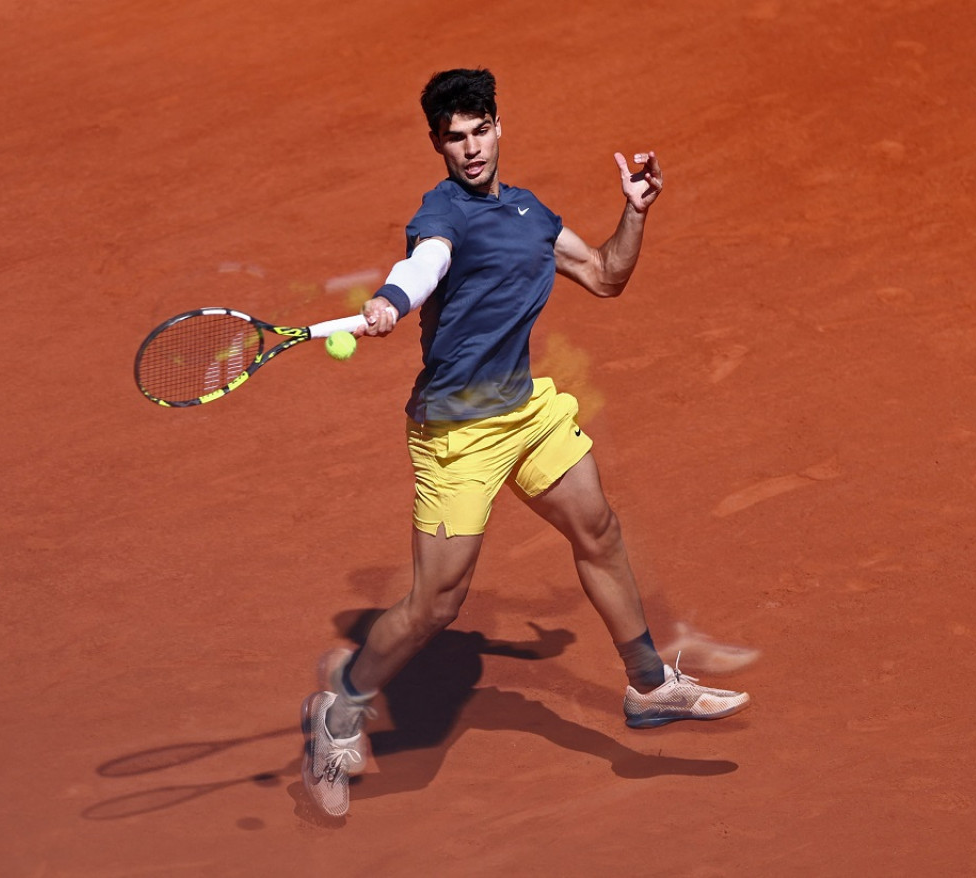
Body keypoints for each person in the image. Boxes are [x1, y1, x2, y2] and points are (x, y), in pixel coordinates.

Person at [301, 68, 753, 818]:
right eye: (456, 137)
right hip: (457, 436)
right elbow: (425, 265)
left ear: (499, 128)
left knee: (598, 528)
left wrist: (634, 211)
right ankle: (339, 707)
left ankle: (649, 687)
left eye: (481, 130)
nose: (471, 148)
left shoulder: (530, 214)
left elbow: (606, 276)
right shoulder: (440, 214)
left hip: (525, 410)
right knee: (435, 606)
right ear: (437, 145)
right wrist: (389, 299)